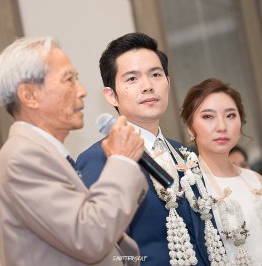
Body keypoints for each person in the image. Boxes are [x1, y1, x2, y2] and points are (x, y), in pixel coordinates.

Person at [0, 36, 149, 266]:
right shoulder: (22, 159)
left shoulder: (44, 154)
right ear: (29, 96)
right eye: (69, 80)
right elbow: (90, 237)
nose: (82, 91)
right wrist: (121, 161)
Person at [77, 33, 216, 266]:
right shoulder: (98, 159)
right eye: (132, 79)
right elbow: (104, 249)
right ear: (111, 95)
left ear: (168, 83)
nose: (148, 86)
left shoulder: (186, 154)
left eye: (156, 74)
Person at [180, 78, 262, 265]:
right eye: (208, 116)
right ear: (190, 128)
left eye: (230, 115)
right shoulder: (190, 184)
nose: (222, 127)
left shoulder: (255, 180)